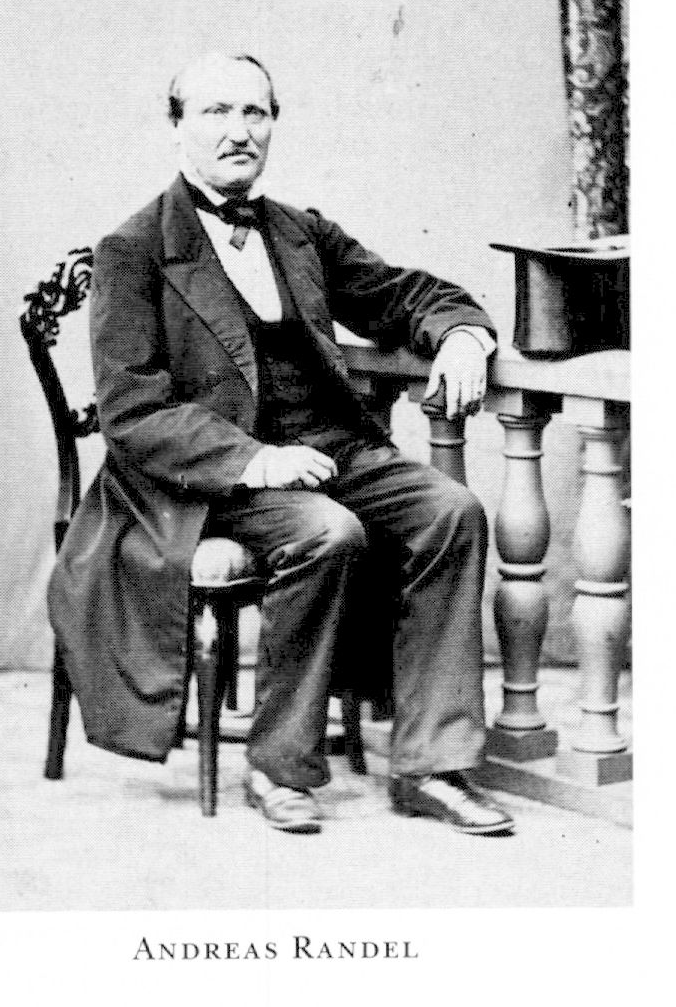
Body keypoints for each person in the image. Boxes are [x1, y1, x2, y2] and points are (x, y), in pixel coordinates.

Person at [48, 52, 514, 837]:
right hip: (207, 480)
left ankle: (430, 766)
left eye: (254, 113)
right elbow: (133, 409)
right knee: (325, 531)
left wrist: (462, 335)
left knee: (451, 510)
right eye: (216, 112)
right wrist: (256, 460)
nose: (238, 131)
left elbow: (404, 294)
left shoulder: (299, 231)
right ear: (176, 128)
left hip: (328, 450)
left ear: (272, 125)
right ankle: (279, 766)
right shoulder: (132, 249)